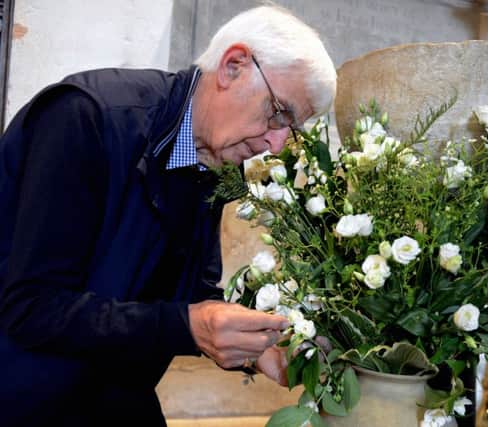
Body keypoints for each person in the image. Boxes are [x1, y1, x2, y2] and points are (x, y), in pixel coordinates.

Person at [0, 5, 336, 426]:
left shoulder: (216, 159)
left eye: (293, 130)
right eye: (280, 113)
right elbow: (32, 307)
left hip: (111, 387)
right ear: (233, 66)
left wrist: (254, 346)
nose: (277, 143)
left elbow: (193, 294)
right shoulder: (86, 117)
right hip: (24, 392)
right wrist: (188, 326)